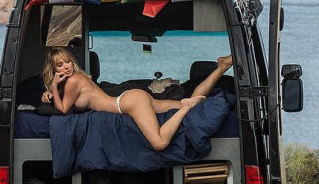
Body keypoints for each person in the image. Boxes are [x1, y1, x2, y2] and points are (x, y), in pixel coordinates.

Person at [40, 48, 233, 153]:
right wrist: (50, 91)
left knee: (159, 143)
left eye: (67, 61)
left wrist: (54, 88)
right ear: (53, 69)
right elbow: (62, 102)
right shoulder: (74, 81)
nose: (66, 67)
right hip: (132, 98)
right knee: (190, 100)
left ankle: (185, 108)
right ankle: (221, 67)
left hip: (129, 103)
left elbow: (64, 109)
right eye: (60, 65)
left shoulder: (73, 80)